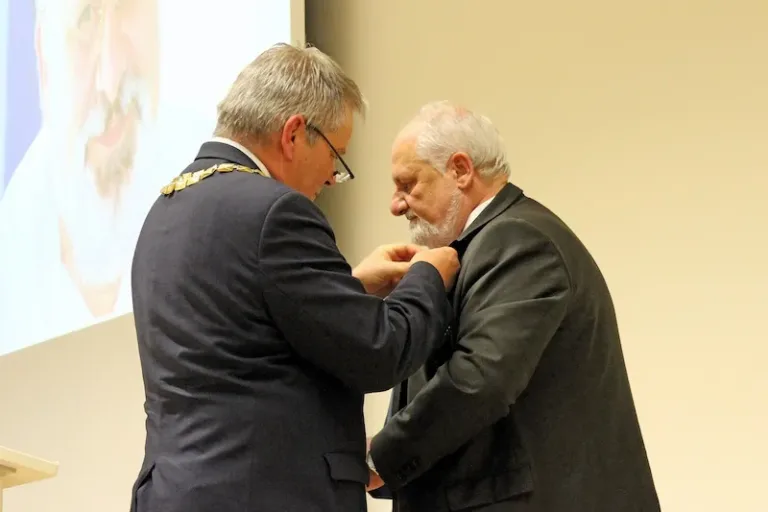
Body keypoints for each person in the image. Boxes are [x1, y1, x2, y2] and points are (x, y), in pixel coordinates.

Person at [128, 45, 460, 512]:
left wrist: (350, 286)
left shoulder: (164, 213)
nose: (330, 178)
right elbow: (377, 354)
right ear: (295, 133)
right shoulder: (275, 211)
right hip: (268, 493)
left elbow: (244, 327)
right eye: (336, 157)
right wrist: (427, 275)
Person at [366, 101, 660, 511]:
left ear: (461, 170)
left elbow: (479, 381)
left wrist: (380, 456)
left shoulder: (518, 240)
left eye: (407, 184)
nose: (396, 205)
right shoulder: (488, 243)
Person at [0, 0, 162, 351]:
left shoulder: (217, 181)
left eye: (128, 6)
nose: (112, 77)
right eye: (85, 20)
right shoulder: (10, 256)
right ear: (44, 60)